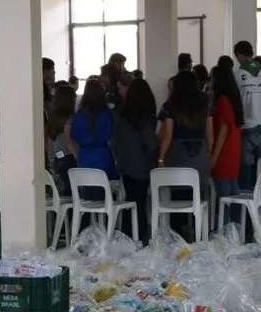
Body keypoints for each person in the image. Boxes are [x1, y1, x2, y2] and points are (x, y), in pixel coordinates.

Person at [113, 76, 160, 242]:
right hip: (142, 166)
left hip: (125, 164)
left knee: (130, 200)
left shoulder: (120, 115)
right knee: (140, 202)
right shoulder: (145, 119)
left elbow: (115, 141)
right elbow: (150, 144)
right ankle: (141, 236)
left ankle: (127, 234)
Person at [159, 70, 213, 206]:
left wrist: (160, 158)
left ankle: (179, 219)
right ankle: (198, 219)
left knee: (178, 197)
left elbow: (167, 136)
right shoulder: (204, 102)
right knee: (198, 197)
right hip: (199, 152)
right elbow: (210, 135)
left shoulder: (171, 104)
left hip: (178, 153)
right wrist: (209, 154)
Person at [232, 40, 261, 192]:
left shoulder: (238, 75)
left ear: (239, 55)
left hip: (245, 126)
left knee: (245, 169)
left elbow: (235, 104)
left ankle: (246, 201)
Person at [67, 78, 118, 196]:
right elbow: (111, 137)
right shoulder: (107, 114)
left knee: (88, 194)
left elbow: (74, 137)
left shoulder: (79, 116)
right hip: (103, 155)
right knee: (105, 192)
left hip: (84, 156)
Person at [208, 64, 244, 211]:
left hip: (223, 153)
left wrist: (213, 159)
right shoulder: (233, 100)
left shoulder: (222, 101)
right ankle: (235, 223)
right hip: (233, 150)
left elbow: (222, 132)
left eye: (211, 78)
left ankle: (226, 223)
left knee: (224, 198)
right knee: (232, 192)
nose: (209, 81)